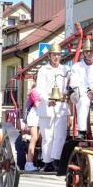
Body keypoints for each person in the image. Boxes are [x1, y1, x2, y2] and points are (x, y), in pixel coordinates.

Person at [36, 43, 71, 172]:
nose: (56, 57)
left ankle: (56, 159)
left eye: (58, 54)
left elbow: (70, 85)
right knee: (48, 136)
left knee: (60, 135)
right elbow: (39, 88)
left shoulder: (66, 69)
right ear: (49, 55)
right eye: (54, 54)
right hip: (47, 107)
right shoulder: (43, 70)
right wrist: (47, 99)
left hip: (61, 105)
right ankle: (47, 162)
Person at [24, 81, 41, 172]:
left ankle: (40, 159)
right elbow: (37, 104)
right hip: (34, 115)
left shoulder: (43, 90)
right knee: (34, 138)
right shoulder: (35, 91)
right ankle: (29, 163)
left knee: (39, 139)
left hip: (41, 115)